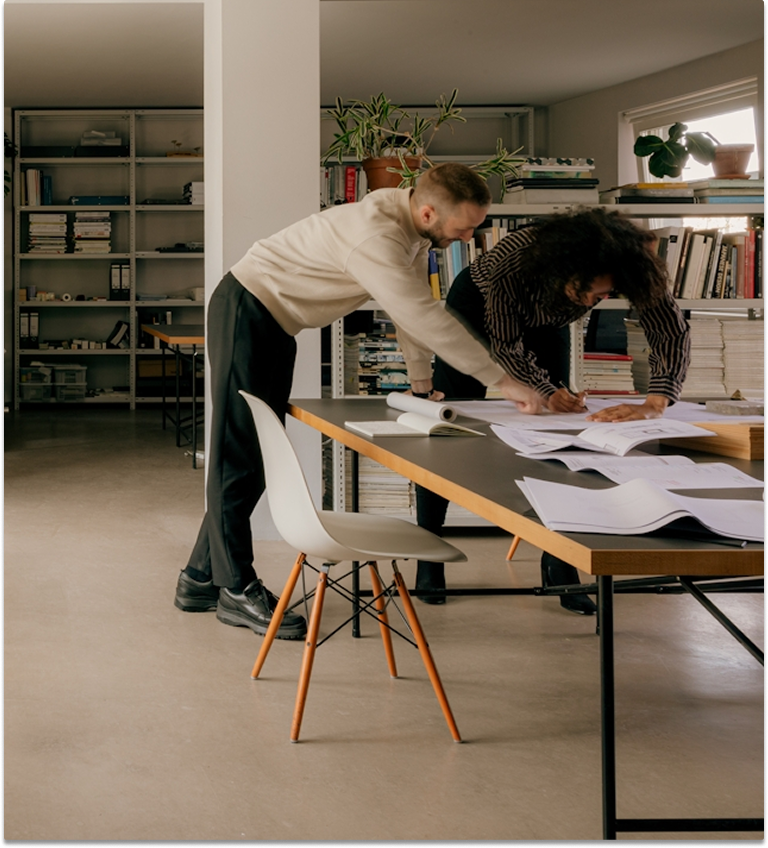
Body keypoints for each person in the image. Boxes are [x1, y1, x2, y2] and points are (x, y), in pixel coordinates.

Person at [173, 163, 543, 639]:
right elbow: (427, 318)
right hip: (247, 310)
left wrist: (419, 381)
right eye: (465, 227)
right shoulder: (377, 238)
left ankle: (199, 578)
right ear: (428, 211)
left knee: (254, 459)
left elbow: (407, 310)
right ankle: (236, 589)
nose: (471, 237)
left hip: (274, 324)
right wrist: (505, 381)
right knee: (236, 456)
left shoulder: (410, 232)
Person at [414, 207, 691, 613]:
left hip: (549, 315)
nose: (602, 301)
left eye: (607, 294)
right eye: (596, 294)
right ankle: (430, 553)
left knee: (561, 431)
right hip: (476, 306)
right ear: (568, 272)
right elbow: (506, 344)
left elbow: (669, 328)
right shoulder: (515, 259)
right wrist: (544, 389)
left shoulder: (629, 264)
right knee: (448, 426)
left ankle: (559, 560)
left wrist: (655, 401)